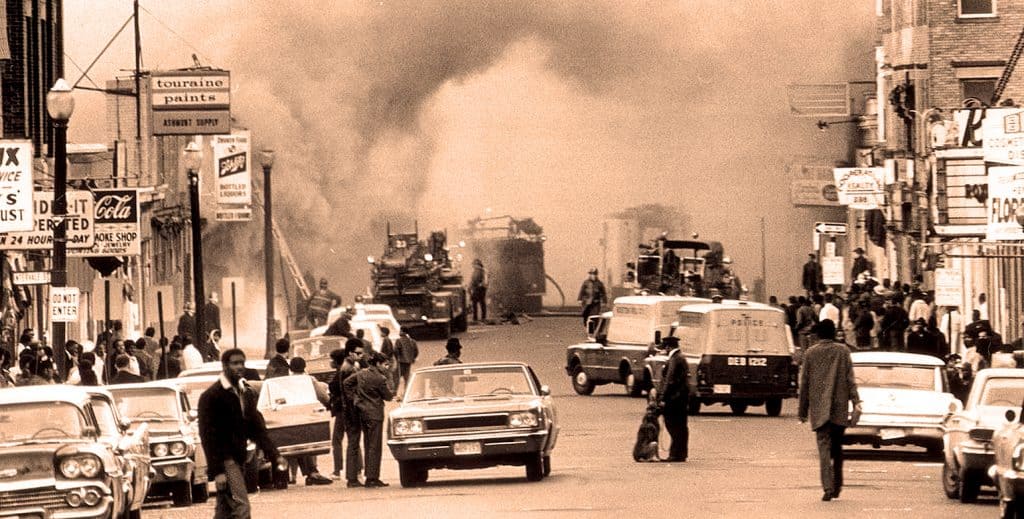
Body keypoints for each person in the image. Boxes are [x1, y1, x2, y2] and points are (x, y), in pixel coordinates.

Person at [198, 349, 285, 519]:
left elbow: (256, 428)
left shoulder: (244, 392)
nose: (239, 367)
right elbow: (208, 436)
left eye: (242, 363)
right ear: (225, 366)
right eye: (235, 363)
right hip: (226, 460)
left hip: (239, 457)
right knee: (242, 507)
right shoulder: (212, 396)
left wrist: (275, 455)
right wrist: (217, 471)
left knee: (224, 510)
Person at [798, 319, 861, 502]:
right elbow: (850, 380)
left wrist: (802, 410)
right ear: (833, 333)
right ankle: (837, 483)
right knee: (837, 447)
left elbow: (804, 384)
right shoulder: (843, 351)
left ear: (818, 334)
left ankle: (827, 486)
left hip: (819, 409)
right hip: (839, 408)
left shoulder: (810, 353)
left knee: (824, 448)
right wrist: (856, 401)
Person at [344, 351, 393, 488]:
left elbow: (346, 383)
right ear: (378, 364)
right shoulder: (380, 379)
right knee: (374, 446)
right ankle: (372, 477)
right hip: (375, 413)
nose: (387, 367)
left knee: (367, 444)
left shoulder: (361, 373)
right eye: (385, 364)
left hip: (362, 412)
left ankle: (369, 476)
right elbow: (388, 396)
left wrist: (354, 398)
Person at [287, 357, 333, 485]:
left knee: (293, 446)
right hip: (307, 414)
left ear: (290, 368)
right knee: (310, 445)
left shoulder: (286, 381)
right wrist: (328, 404)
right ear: (304, 367)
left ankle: (292, 475)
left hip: (291, 415)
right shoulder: (309, 380)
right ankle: (313, 472)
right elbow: (322, 396)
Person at [656, 336, 690, 462]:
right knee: (681, 427)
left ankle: (675, 454)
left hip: (674, 398)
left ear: (668, 347)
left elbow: (669, 380)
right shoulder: (680, 357)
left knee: (673, 425)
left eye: (664, 348)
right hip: (681, 398)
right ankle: (681, 453)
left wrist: (662, 397)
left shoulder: (675, 359)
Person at [336, 338, 365, 486]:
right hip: (350, 410)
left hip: (349, 409)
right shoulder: (348, 368)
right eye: (358, 353)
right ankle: (352, 477)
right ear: (350, 353)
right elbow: (349, 392)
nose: (361, 356)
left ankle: (354, 475)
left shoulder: (351, 366)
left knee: (354, 443)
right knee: (353, 443)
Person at [394, 330, 419, 398]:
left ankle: (395, 393)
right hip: (408, 362)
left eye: (400, 331)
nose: (399, 332)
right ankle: (406, 392)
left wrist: (397, 358)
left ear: (403, 332)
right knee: (406, 378)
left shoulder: (399, 341)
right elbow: (416, 351)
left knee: (397, 377)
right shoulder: (412, 341)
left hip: (401, 362)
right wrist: (412, 358)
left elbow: (396, 350)